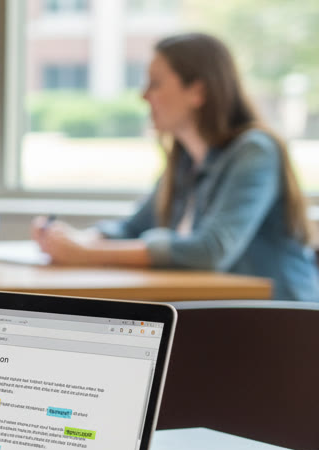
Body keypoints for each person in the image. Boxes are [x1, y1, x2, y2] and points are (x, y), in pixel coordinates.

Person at [34, 33, 319, 302]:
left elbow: (210, 251)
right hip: (224, 312)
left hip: (282, 318)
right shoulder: (185, 160)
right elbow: (133, 228)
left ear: (197, 92)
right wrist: (75, 240)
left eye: (155, 83)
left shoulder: (255, 151)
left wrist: (88, 253)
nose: (143, 95)